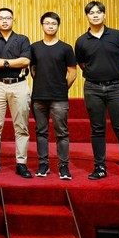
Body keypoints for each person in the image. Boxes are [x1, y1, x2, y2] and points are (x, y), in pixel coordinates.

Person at [74, 1, 119, 180]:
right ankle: (100, 167)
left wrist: (117, 74)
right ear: (87, 16)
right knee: (97, 129)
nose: (95, 15)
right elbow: (82, 64)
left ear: (104, 15)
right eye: (91, 13)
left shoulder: (117, 36)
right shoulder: (81, 41)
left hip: (116, 87)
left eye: (98, 12)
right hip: (93, 88)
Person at [0, 8, 33, 178]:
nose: (4, 21)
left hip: (18, 84)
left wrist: (3, 62)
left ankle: (21, 163)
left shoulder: (22, 39)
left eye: (8, 18)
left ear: (13, 20)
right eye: (1, 18)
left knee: (21, 126)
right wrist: (14, 62)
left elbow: (26, 61)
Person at [30, 12, 77, 180]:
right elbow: (33, 70)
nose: (50, 26)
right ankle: (43, 163)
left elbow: (72, 73)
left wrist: (62, 88)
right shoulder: (34, 47)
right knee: (41, 131)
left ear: (58, 26)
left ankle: (63, 165)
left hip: (59, 97)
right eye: (47, 23)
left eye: (53, 23)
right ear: (42, 25)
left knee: (62, 133)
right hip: (39, 97)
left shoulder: (66, 48)